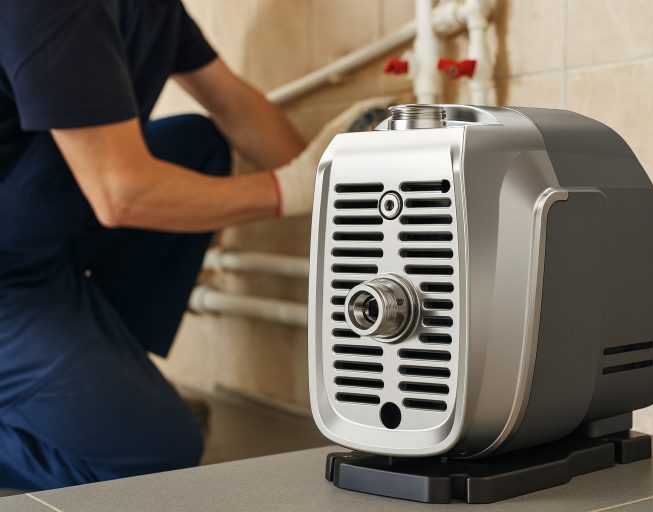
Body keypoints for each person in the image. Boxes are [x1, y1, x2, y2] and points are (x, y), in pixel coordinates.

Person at [0, 0, 390, 490]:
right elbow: (121, 194)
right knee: (154, 453)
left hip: (37, 240)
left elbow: (233, 105)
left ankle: (104, 373)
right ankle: (74, 398)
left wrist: (341, 180)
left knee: (196, 143)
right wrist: (290, 188)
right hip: (10, 278)